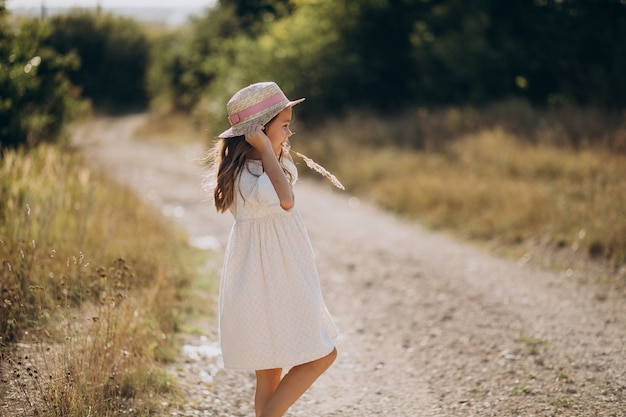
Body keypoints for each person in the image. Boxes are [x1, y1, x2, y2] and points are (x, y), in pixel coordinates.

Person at [206, 81, 338, 417]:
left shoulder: (274, 164)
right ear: (259, 132)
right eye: (284, 125)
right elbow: (287, 199)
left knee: (270, 375)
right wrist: (266, 150)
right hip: (273, 280)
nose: (290, 132)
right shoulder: (248, 174)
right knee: (324, 353)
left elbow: (283, 187)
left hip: (275, 275)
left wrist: (269, 150)